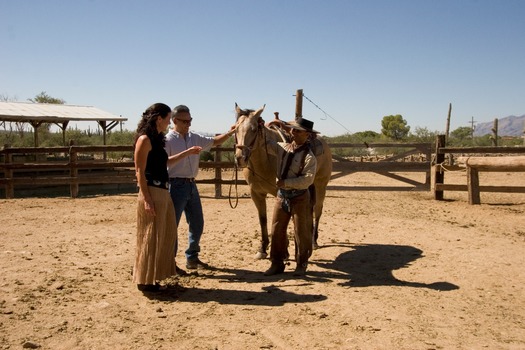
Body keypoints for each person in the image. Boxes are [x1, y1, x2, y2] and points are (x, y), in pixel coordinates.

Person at [132, 103, 199, 292]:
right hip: (152, 191)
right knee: (150, 236)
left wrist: (187, 152)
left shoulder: (156, 141)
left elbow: (166, 163)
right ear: (159, 119)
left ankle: (152, 277)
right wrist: (147, 198)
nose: (169, 122)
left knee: (162, 235)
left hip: (162, 191)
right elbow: (139, 171)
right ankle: (145, 281)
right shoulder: (144, 140)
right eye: (168, 118)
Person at [165, 104, 236, 271]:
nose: (188, 124)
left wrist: (231, 132)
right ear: (175, 120)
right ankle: (170, 261)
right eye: (185, 121)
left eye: (190, 120)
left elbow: (215, 141)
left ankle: (192, 257)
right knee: (172, 225)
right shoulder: (167, 140)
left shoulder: (194, 137)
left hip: (190, 184)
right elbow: (165, 162)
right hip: (175, 184)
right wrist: (187, 153)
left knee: (197, 223)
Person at [263, 117, 318, 276]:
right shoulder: (283, 148)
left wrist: (285, 183)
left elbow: (307, 180)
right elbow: (265, 144)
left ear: (307, 134)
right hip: (282, 196)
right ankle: (277, 263)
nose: (293, 132)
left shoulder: (309, 158)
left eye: (297, 131)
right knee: (276, 229)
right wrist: (263, 127)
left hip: (300, 197)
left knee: (301, 231)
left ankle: (301, 264)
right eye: (292, 130)